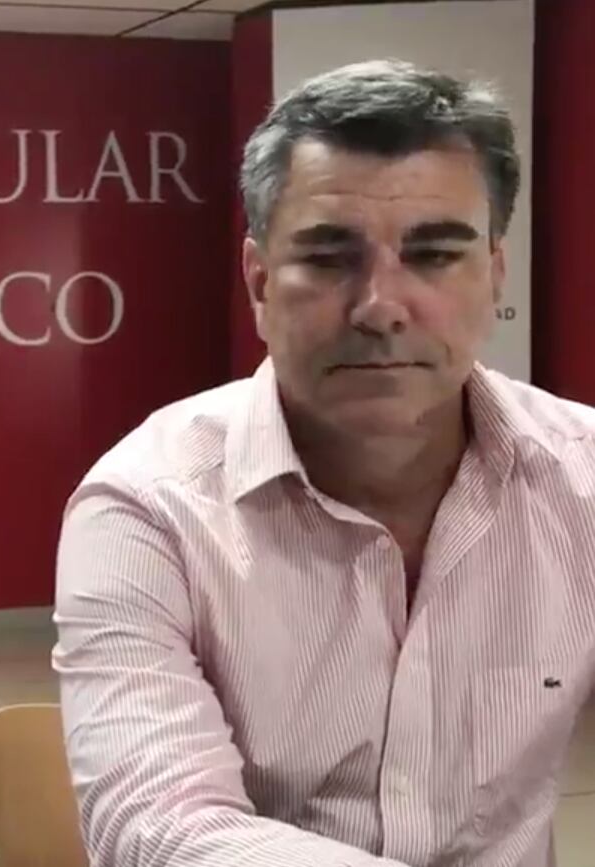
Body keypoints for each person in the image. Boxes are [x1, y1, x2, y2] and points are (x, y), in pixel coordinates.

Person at [54, 58, 594, 866]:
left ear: (494, 276)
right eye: (330, 257)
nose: (380, 307)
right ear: (260, 282)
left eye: (435, 254)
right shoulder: (144, 508)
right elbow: (157, 827)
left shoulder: (582, 477)